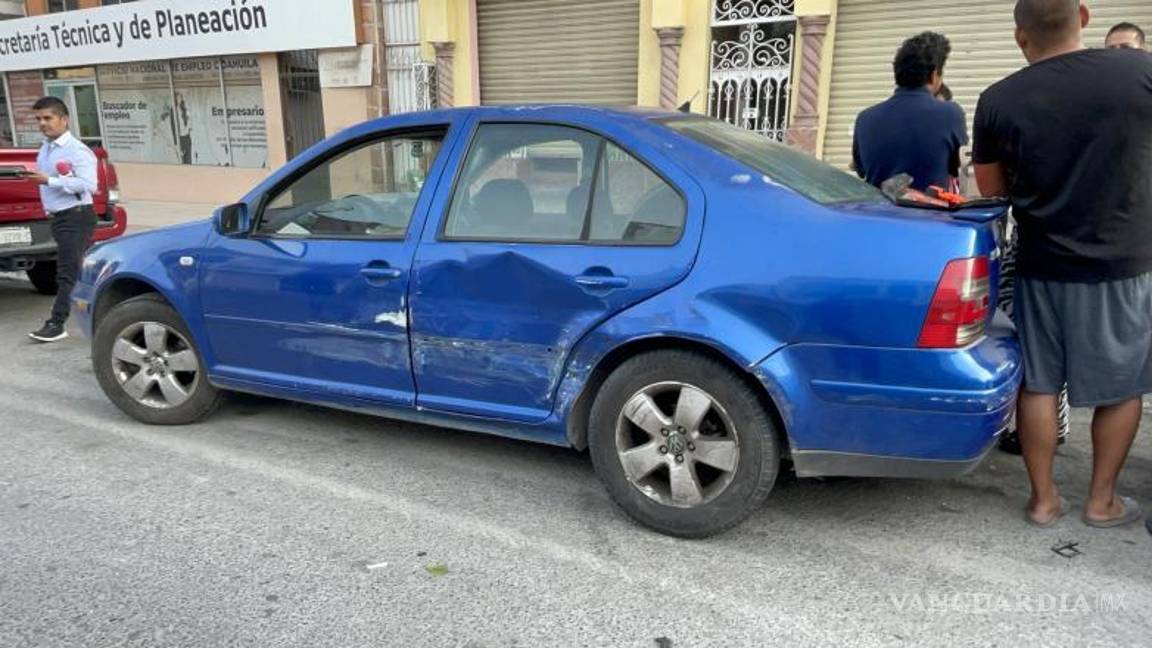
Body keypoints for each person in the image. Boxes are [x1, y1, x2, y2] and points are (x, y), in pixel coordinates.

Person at [973, 0, 1152, 529]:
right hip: (1123, 264)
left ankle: (1044, 500)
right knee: (1121, 387)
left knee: (1040, 384)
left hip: (1040, 263)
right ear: (1084, 15)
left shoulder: (999, 99)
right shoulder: (1140, 72)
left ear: (1019, 36)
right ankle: (1101, 502)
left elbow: (991, 190)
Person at [852, 31, 967, 191]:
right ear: (934, 75)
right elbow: (958, 167)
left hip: (875, 213)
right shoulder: (950, 113)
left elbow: (861, 169)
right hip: (929, 215)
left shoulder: (865, 118)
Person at [24, 97, 98, 343]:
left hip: (76, 215)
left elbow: (90, 185)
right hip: (59, 217)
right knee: (79, 269)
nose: (42, 123)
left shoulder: (76, 150)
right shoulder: (47, 147)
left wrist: (50, 181)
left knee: (67, 272)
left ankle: (56, 323)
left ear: (64, 119)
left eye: (48, 118)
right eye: (38, 119)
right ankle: (104, 311)